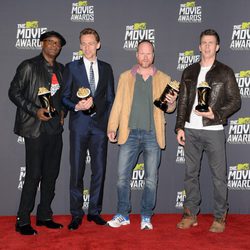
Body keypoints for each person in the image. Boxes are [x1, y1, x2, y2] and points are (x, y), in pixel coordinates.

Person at [175, 29, 241, 233]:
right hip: (191, 129)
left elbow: (235, 101)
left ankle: (220, 216)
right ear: (199, 46)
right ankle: (190, 213)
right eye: (204, 42)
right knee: (190, 174)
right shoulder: (189, 71)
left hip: (213, 129)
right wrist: (179, 126)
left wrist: (216, 114)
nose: (207, 46)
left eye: (211, 42)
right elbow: (183, 101)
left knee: (219, 176)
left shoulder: (225, 71)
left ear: (217, 46)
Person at [107, 40, 177, 230]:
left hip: (153, 134)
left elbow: (169, 109)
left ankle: (146, 215)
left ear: (153, 55)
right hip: (129, 134)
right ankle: (123, 214)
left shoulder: (164, 78)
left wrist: (171, 103)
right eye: (142, 53)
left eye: (149, 54)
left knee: (151, 179)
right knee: (122, 177)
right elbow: (118, 104)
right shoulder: (125, 77)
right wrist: (112, 126)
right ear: (136, 55)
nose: (145, 57)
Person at [9, 31, 67, 235]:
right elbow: (13, 92)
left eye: (57, 44)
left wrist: (62, 113)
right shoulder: (29, 66)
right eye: (50, 42)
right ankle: (22, 220)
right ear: (42, 43)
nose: (54, 45)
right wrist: (35, 110)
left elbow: (63, 96)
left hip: (54, 130)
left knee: (51, 175)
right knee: (34, 175)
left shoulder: (61, 69)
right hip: (35, 128)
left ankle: (44, 216)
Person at [62, 28, 115, 230]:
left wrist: (110, 125)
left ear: (98, 44)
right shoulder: (71, 67)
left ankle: (94, 211)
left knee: (99, 170)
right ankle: (76, 214)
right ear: (80, 45)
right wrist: (76, 105)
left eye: (91, 43)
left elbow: (110, 98)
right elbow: (64, 97)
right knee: (77, 170)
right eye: (83, 43)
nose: (87, 47)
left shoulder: (107, 68)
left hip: (100, 127)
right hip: (79, 126)